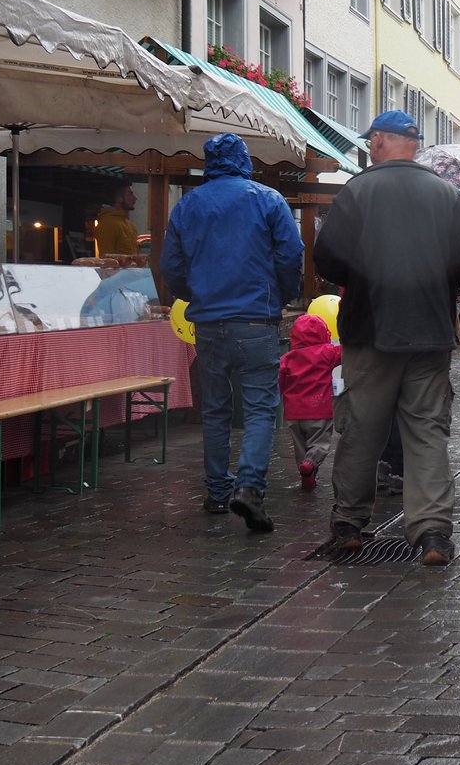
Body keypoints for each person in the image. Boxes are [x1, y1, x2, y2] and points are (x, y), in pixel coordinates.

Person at [315, 110, 460, 565]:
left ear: (379, 142)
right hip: (429, 329)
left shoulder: (357, 191)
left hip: (370, 328)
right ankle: (432, 534)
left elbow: (326, 261)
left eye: (371, 141)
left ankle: (350, 523)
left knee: (360, 428)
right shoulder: (447, 195)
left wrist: (365, 269)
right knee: (427, 431)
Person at [161, 133, 304, 533]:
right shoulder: (267, 199)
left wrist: (192, 294)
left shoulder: (189, 204)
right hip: (256, 318)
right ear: (244, 160)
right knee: (260, 408)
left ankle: (217, 491)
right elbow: (292, 255)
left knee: (216, 408)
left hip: (207, 321)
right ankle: (250, 488)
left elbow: (171, 263)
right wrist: (283, 293)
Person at [278, 313, 341, 491]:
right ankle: (311, 463)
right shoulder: (327, 353)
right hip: (319, 409)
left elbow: (280, 383)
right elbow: (345, 353)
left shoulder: (287, 359)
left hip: (294, 412)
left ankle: (307, 476)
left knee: (300, 446)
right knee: (319, 444)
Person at [95, 181, 139, 256]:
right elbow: (107, 259)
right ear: (119, 199)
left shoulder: (128, 223)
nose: (135, 198)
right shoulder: (107, 223)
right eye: (130, 194)